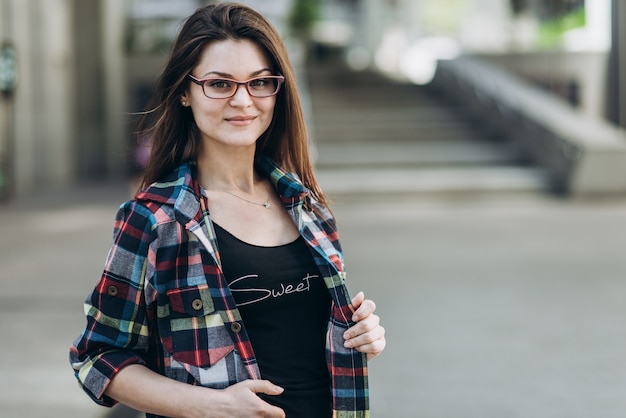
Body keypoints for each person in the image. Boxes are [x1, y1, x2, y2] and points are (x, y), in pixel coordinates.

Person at [69, 3, 386, 418]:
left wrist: (363, 337)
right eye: (220, 84)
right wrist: (209, 406)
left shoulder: (308, 206)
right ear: (185, 91)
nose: (243, 101)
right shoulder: (154, 219)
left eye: (260, 83)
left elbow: (308, 340)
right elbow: (97, 357)